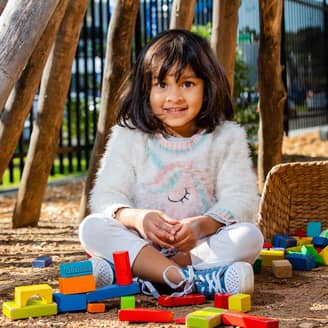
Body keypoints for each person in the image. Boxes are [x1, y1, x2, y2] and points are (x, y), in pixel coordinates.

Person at [79, 29, 263, 298]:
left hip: (198, 247)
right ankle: (188, 280)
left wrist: (202, 225)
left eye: (187, 84)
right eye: (161, 84)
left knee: (248, 237)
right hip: (141, 244)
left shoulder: (226, 137)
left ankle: (144, 275)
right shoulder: (129, 136)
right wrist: (138, 218)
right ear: (145, 89)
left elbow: (241, 198)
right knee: (92, 227)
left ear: (207, 85)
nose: (174, 97)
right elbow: (106, 196)